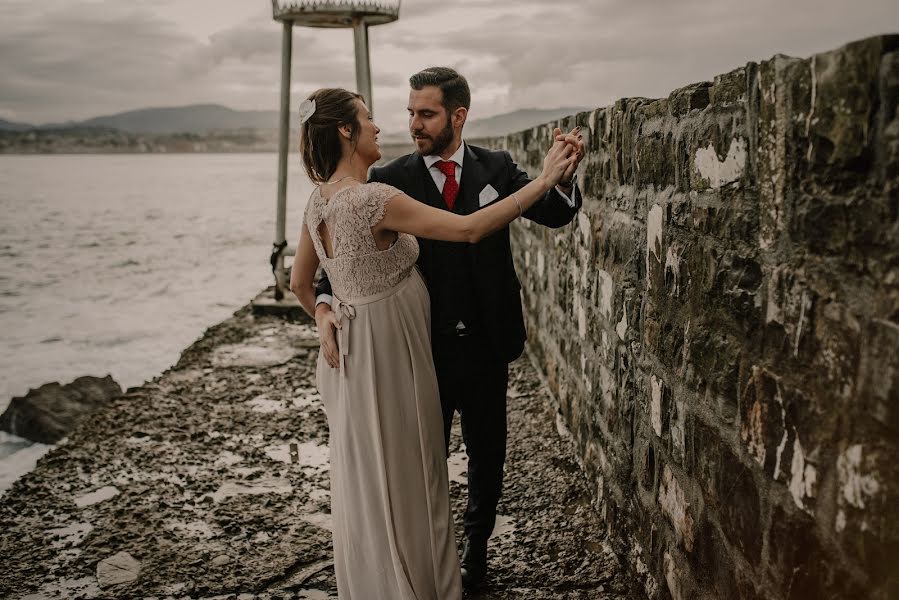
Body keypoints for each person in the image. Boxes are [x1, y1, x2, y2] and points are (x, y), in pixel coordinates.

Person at [289, 86, 580, 599]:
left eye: (424, 113)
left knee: (430, 463)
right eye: (381, 116)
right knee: (415, 467)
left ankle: (441, 560)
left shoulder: (492, 165)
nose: (396, 125)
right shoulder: (381, 187)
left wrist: (325, 312)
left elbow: (301, 282)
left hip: (457, 342)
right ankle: (419, 577)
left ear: (457, 115)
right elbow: (462, 232)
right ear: (345, 131)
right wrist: (327, 307)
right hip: (405, 348)